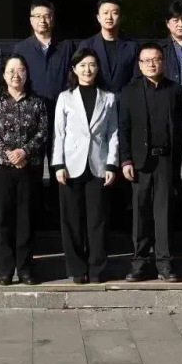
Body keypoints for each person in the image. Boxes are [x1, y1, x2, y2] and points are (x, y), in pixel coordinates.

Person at [52, 48, 119, 284]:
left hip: (98, 164)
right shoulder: (65, 97)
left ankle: (97, 268)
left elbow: (113, 133)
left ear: (98, 68)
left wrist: (111, 164)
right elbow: (59, 133)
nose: (87, 70)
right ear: (74, 69)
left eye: (91, 65)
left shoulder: (108, 98)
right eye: (82, 65)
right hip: (70, 165)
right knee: (72, 221)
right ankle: (77, 268)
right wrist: (58, 164)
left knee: (97, 220)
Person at [119, 43, 182, 282]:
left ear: (163, 62)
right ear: (139, 64)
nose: (151, 64)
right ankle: (139, 263)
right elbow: (123, 128)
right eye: (146, 60)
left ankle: (165, 264)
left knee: (164, 213)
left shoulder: (176, 91)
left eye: (156, 59)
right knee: (140, 213)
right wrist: (125, 159)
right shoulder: (129, 91)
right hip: (139, 162)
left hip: (165, 159)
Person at [0, 54, 49, 285]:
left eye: (20, 70)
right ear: (3, 75)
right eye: (11, 70)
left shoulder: (37, 102)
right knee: (4, 218)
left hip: (29, 167)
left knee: (26, 218)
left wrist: (24, 152)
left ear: (27, 73)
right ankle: (5, 270)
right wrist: (10, 154)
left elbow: (43, 132)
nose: (16, 75)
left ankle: (25, 268)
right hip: (1, 167)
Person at [13, 1, 76, 227]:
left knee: (62, 167)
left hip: (62, 117)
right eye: (37, 16)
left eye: (47, 16)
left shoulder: (66, 47)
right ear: (31, 21)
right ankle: (35, 221)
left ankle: (61, 221)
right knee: (32, 170)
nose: (42, 20)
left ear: (53, 20)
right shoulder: (21, 48)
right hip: (31, 118)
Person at [77, 0, 138, 94]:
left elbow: (136, 78)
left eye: (114, 13)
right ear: (98, 18)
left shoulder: (132, 47)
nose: (109, 17)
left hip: (124, 99)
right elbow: (81, 75)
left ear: (121, 18)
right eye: (105, 13)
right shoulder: (87, 45)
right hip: (95, 98)